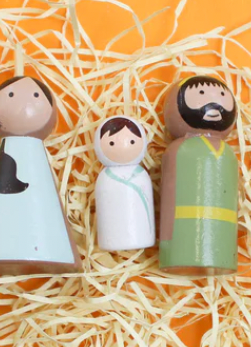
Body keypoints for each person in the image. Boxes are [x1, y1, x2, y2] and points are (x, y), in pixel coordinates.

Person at [0, 76, 80, 275]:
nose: (23, 104)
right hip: (5, 237)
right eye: (11, 95)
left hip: (50, 251)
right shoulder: (14, 151)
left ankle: (41, 250)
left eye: (35, 96)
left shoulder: (32, 155)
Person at [159, 75, 240, 275]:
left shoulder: (226, 153)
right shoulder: (181, 149)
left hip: (222, 239)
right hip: (181, 238)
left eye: (221, 96)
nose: (213, 105)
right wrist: (168, 239)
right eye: (201, 94)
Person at [94, 116, 155, 252]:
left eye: (132, 141)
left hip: (143, 235)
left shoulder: (141, 175)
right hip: (110, 237)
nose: (123, 145)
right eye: (111, 143)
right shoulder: (105, 177)